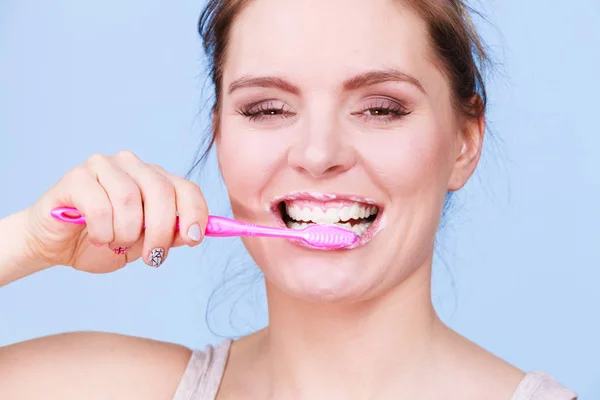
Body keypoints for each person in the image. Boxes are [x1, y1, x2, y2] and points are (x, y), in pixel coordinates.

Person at [0, 0, 578, 399]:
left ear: (463, 141)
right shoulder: (106, 388)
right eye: (268, 109)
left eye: (380, 107)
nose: (319, 152)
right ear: (221, 135)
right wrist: (26, 242)